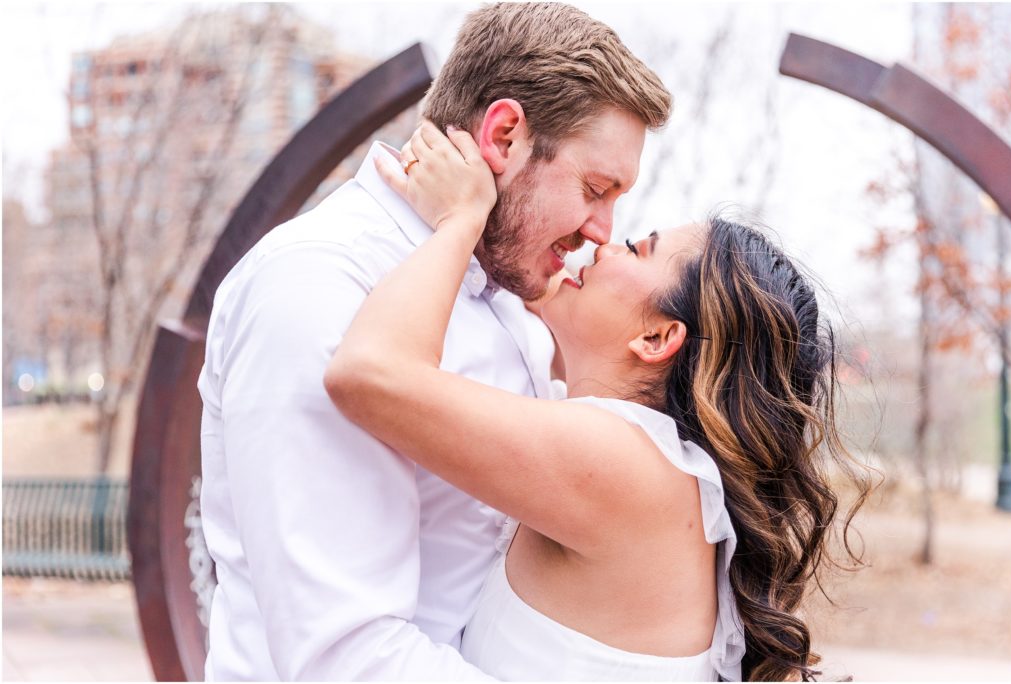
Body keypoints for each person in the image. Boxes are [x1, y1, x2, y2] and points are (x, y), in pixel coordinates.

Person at [197, 2, 671, 679]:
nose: (602, 229)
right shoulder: (316, 283)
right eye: (595, 189)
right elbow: (344, 654)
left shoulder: (502, 295)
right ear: (504, 136)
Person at [324, 123, 872, 681]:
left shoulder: (622, 462)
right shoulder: (652, 472)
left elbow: (367, 373)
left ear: (657, 339)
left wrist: (460, 220)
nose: (605, 243)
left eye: (637, 249)